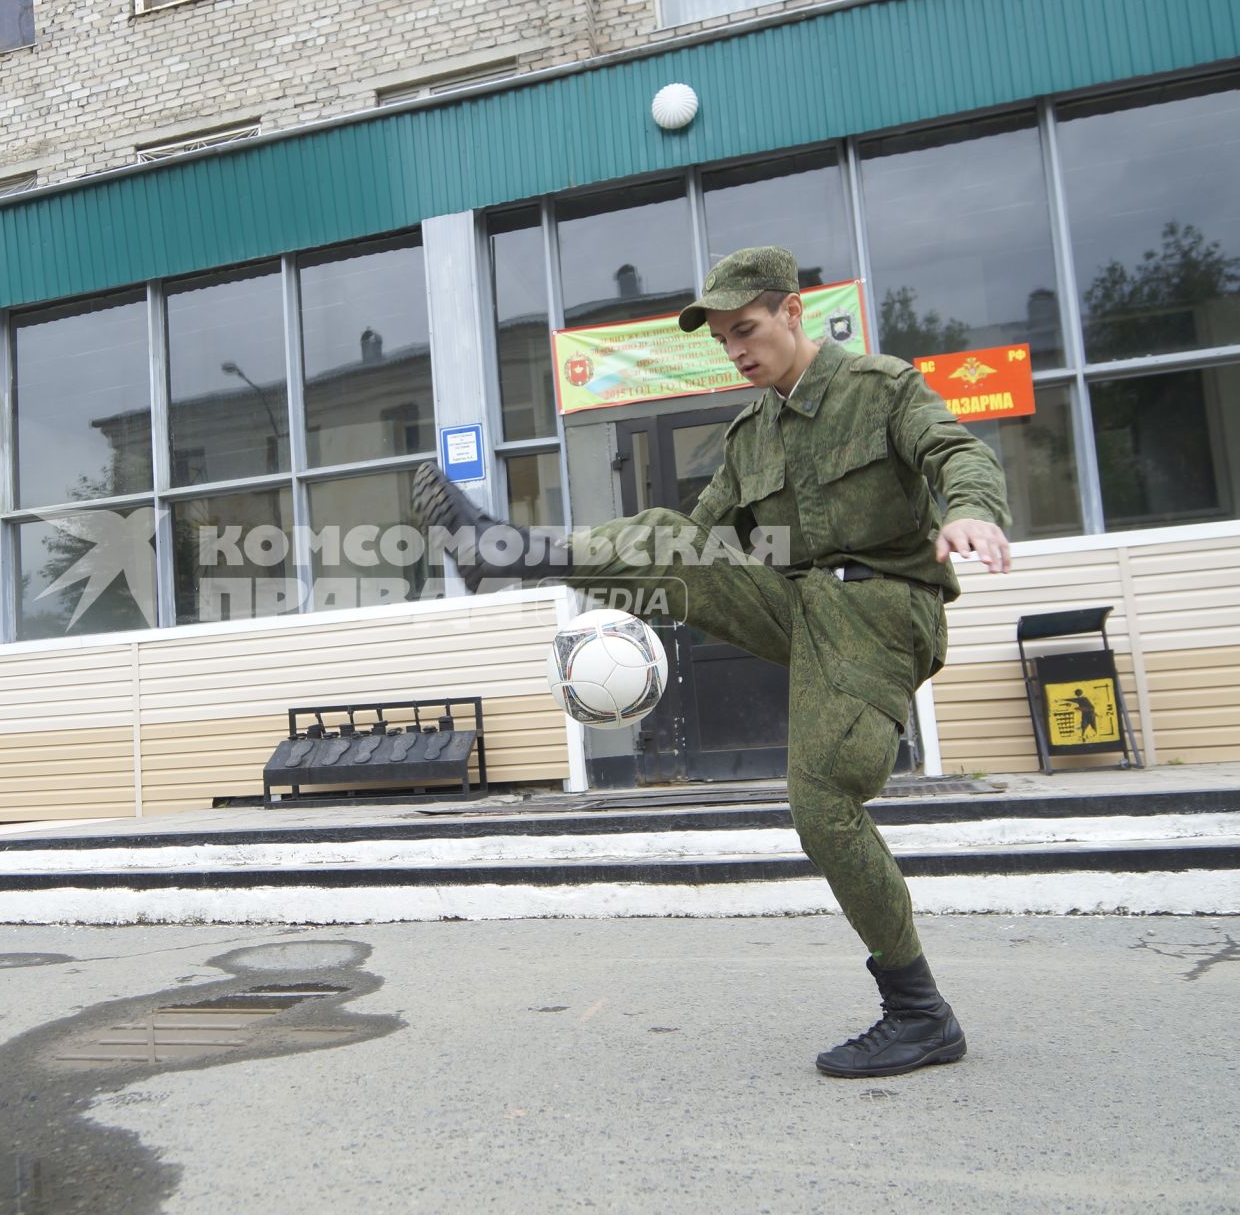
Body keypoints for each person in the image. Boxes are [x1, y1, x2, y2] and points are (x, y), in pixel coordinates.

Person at [411, 246, 1014, 1078]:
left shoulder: (881, 389)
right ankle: (505, 550)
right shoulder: (750, 434)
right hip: (798, 605)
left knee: (823, 801)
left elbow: (958, 454)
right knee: (667, 531)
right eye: (724, 338)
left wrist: (972, 514)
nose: (736, 350)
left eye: (747, 329)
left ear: (793, 313)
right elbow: (694, 545)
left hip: (880, 611)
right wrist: (637, 611)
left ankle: (920, 1013)